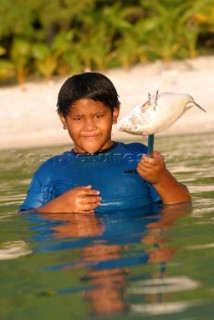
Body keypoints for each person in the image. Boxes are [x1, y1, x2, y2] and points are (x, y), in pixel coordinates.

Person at [19, 72, 191, 214]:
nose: (89, 127)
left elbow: (182, 205)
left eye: (98, 116)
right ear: (63, 120)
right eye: (78, 118)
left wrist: (161, 178)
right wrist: (57, 207)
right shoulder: (50, 171)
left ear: (115, 113)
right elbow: (26, 220)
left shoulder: (138, 156)